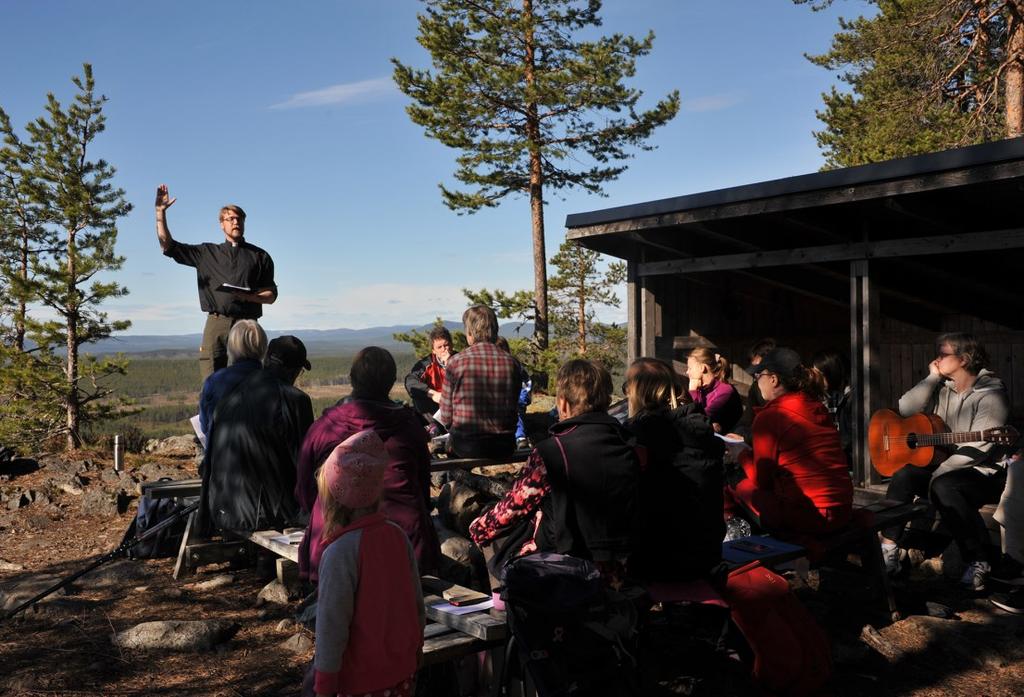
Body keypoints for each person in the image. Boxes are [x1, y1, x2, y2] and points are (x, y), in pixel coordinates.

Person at [469, 359, 639, 586]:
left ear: (563, 403)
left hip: (563, 566)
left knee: (493, 534)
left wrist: (478, 528)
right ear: (606, 401)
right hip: (623, 564)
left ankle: (502, 608)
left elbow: (514, 507)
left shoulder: (551, 451)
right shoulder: (628, 444)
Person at [296, 346, 440, 581]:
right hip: (405, 543)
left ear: (352, 379)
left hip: (333, 540)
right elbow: (422, 487)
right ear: (391, 381)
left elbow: (304, 491)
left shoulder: (325, 427)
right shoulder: (408, 426)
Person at [880, 333, 1010, 591]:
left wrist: (939, 472)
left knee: (945, 486)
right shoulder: (941, 387)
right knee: (904, 475)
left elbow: (980, 447)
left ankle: (979, 561)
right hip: (948, 465)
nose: (936, 359)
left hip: (985, 472)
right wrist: (931, 378)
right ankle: (888, 549)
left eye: (943, 354)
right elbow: (904, 409)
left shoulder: (992, 394)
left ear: (963, 359)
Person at [310, 429, 424, 697]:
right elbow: (416, 605)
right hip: (401, 674)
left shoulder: (339, 553)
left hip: (360, 682)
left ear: (332, 498)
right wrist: (416, 651)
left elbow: (331, 627)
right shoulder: (397, 535)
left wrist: (324, 686)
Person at [724, 347, 853, 545]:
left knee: (733, 479)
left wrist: (740, 454)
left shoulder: (770, 417)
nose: (757, 381)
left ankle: (740, 547)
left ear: (773, 379)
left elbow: (762, 481)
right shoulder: (816, 407)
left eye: (759, 375)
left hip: (809, 517)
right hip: (842, 510)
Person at [155, 184, 277, 381]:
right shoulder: (207, 253)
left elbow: (271, 296)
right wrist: (160, 214)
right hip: (217, 323)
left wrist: (249, 296)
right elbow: (168, 246)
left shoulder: (260, 256)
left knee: (249, 380)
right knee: (211, 379)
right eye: (230, 219)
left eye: (239, 218)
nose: (235, 222)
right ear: (222, 224)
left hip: (247, 323)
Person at [199, 335, 314, 534]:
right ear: (292, 370)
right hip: (267, 514)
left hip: (222, 508)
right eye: (299, 371)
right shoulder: (295, 400)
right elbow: (306, 463)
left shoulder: (231, 395)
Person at [624, 357, 725, 582]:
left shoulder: (639, 435)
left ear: (639, 391)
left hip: (660, 557)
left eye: (626, 387)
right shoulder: (701, 425)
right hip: (707, 551)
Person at [437, 305, 521, 459]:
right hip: (504, 445)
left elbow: (446, 415)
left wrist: (455, 431)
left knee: (450, 449)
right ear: (495, 330)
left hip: (466, 445)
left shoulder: (455, 362)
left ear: (469, 333)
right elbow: (515, 408)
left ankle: (457, 481)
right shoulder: (513, 363)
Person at [197, 319, 266, 442]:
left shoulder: (213, 382)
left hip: (220, 458)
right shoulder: (275, 383)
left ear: (231, 346)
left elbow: (204, 426)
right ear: (263, 346)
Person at [811, 349, 853, 465]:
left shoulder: (852, 398)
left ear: (831, 373)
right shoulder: (831, 395)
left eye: (819, 375)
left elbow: (849, 440)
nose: (816, 380)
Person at [404, 325, 456, 419]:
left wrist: (451, 366)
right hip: (434, 409)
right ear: (433, 351)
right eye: (439, 347)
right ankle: (433, 428)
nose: (444, 349)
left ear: (451, 345)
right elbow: (410, 381)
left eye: (446, 345)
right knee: (419, 397)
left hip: (456, 406)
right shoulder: (427, 364)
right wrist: (432, 393)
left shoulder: (462, 360)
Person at [686, 347, 743, 434]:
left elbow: (699, 422)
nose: (687, 372)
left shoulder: (725, 391)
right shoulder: (702, 389)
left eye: (690, 368)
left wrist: (693, 392)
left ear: (702, 368)